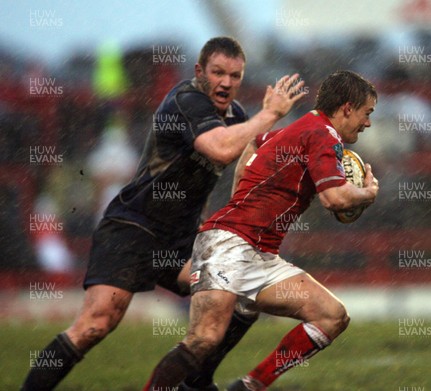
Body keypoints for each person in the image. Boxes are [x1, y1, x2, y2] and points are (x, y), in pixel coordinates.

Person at [21, 36, 306, 391]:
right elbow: (218, 150)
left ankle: (196, 383)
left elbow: (233, 168)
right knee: (95, 325)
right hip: (134, 227)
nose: (226, 82)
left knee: (236, 296)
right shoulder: (186, 101)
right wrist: (269, 116)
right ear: (199, 71)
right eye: (218, 72)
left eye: (235, 75)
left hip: (181, 238)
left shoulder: (235, 116)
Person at [143, 70, 379, 391]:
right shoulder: (324, 135)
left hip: (259, 252)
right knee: (203, 338)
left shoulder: (297, 129)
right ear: (348, 108)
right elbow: (335, 199)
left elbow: (255, 143)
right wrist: (367, 193)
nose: (367, 123)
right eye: (367, 113)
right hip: (230, 245)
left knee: (331, 316)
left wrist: (240, 200)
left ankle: (248, 386)